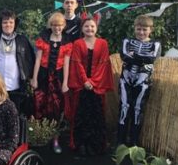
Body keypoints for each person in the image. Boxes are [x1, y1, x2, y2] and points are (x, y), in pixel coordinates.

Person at [68, 18, 114, 156]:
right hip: (81, 86)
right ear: (82, 29)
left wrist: (93, 82)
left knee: (97, 115)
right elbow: (77, 63)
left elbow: (103, 64)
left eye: (92, 26)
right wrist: (85, 81)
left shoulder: (103, 43)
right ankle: (81, 144)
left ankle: (95, 145)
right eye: (86, 26)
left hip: (97, 85)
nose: (89, 29)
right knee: (81, 115)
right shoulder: (77, 43)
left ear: (96, 28)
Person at [30, 12, 72, 154]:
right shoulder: (44, 38)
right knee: (39, 105)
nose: (57, 28)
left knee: (56, 109)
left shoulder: (67, 40)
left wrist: (66, 82)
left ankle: (55, 139)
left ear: (63, 26)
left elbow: (66, 64)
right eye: (54, 25)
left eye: (59, 25)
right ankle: (40, 138)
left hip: (58, 78)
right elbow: (37, 60)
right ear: (50, 25)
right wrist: (34, 78)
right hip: (43, 76)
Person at [117, 15, 161, 146]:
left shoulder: (155, 44)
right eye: (138, 29)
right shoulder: (127, 41)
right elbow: (124, 57)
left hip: (143, 82)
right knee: (124, 108)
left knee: (138, 109)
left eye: (144, 29)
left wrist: (133, 56)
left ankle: (134, 142)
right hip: (126, 80)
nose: (141, 32)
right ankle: (120, 141)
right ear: (134, 29)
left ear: (150, 30)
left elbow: (152, 59)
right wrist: (141, 58)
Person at [0, 9, 35, 115]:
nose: (8, 25)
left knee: (15, 114)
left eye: (11, 22)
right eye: (5, 22)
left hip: (17, 85)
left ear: (15, 24)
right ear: (1, 24)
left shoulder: (22, 40)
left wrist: (31, 78)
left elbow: (30, 60)